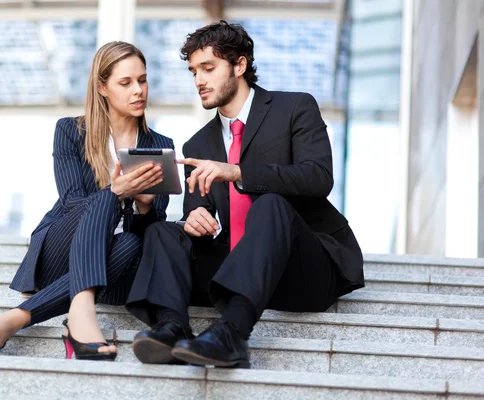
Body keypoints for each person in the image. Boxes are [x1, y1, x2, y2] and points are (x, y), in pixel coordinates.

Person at [125, 21, 364, 368]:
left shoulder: (295, 108)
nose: (199, 81)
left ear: (239, 65)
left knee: (270, 204)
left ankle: (232, 334)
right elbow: (199, 209)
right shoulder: (199, 144)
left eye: (208, 68)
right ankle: (171, 327)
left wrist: (237, 172)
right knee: (165, 231)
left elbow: (318, 178)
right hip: (238, 269)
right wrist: (195, 218)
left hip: (304, 268)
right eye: (194, 72)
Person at [0, 41, 174, 361]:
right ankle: (79, 318)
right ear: (102, 87)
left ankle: (15, 319)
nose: (138, 91)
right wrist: (117, 191)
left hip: (114, 269)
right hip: (59, 251)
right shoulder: (70, 130)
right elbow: (73, 201)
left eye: (142, 80)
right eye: (126, 82)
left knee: (132, 242)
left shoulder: (160, 145)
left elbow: (153, 234)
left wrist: (144, 206)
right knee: (106, 197)